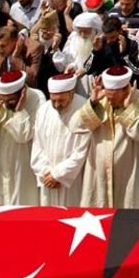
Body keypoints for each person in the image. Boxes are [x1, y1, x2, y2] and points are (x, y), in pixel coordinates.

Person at [79, 66, 139, 208]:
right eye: (108, 97)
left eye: (113, 98)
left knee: (127, 219)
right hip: (98, 175)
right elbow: (78, 127)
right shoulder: (101, 98)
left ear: (126, 91)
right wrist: (93, 102)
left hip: (128, 174)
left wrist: (127, 108)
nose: (110, 102)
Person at [0, 70, 44, 205]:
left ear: (22, 93)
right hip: (1, 165)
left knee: (25, 210)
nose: (6, 105)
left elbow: (22, 136)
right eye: (4, 100)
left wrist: (19, 110)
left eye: (11, 100)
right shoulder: (0, 101)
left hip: (24, 165)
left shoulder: (37, 98)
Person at [30, 73, 91, 206]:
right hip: (47, 180)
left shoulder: (84, 109)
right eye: (53, 100)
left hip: (72, 181)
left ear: (71, 93)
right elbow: (37, 145)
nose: (57, 105)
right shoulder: (44, 110)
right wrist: (47, 173)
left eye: (61, 100)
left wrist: (58, 175)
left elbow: (82, 151)